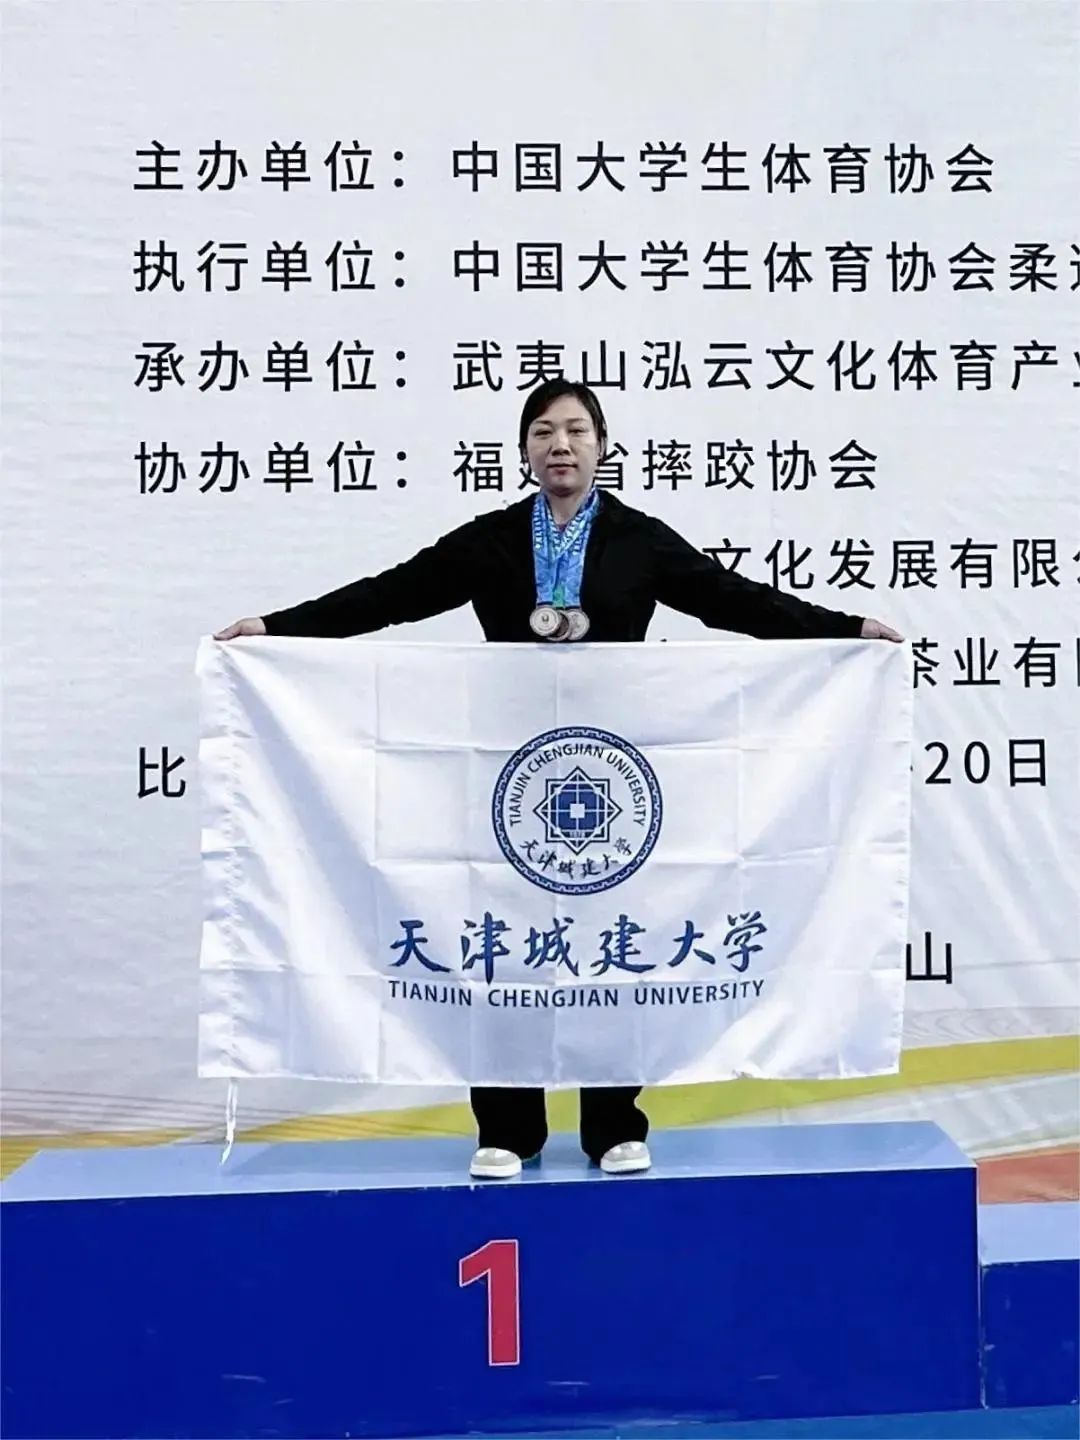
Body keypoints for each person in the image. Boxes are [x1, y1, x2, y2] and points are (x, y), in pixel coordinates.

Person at [215, 379, 903, 1181]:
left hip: (614, 777)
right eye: (543, 431)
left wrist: (846, 630)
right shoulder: (493, 541)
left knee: (612, 940)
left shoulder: (639, 540)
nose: (561, 445)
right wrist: (276, 629)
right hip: (507, 777)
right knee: (503, 944)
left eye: (577, 430)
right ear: (523, 451)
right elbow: (391, 595)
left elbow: (732, 601)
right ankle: (509, 1126)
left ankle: (613, 1123)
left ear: (603, 446)